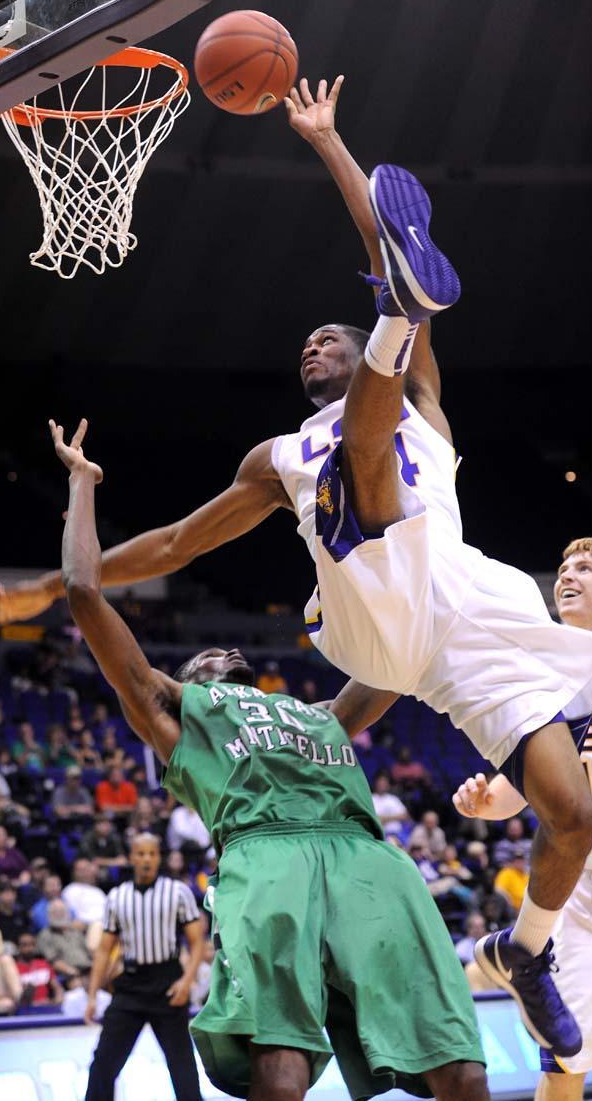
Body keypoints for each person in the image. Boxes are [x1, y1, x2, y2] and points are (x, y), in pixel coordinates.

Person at [0, 75, 592, 1059]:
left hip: (465, 616)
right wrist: (49, 589)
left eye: (329, 334)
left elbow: (378, 241)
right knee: (360, 457)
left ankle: (524, 952)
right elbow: (172, 545)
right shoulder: (275, 457)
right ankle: (392, 335)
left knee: (574, 812)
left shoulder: (425, 406)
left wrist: (326, 141)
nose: (310, 340)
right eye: (311, 340)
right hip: (368, 614)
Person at [45, 416, 488, 1101]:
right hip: (265, 849)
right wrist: (82, 483)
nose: (229, 653)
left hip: (369, 857)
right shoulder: (174, 708)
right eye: (210, 656)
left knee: (449, 1044)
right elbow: (83, 590)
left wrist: (425, 518)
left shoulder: (322, 713)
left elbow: (408, 649)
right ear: (191, 674)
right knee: (278, 1046)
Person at [455, 536, 592, 1100]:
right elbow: (524, 785)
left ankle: (492, 965)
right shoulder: (547, 675)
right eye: (563, 567)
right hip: (578, 891)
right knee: (569, 1060)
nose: (569, 575)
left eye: (585, 567)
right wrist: (487, 800)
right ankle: (499, 962)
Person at [84, 834, 204, 1101]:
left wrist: (187, 981)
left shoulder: (178, 892)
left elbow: (197, 942)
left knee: (182, 1067)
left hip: (168, 982)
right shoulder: (117, 897)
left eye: (152, 853)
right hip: (131, 985)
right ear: (131, 858)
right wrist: (92, 995)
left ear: (159, 857)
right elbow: (104, 950)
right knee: (103, 1063)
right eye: (141, 854)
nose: (147, 859)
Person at [15, 931, 64, 1007]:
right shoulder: (14, 968)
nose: (29, 948)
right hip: (25, 1009)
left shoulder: (44, 964)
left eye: (32, 944)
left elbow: (57, 988)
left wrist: (57, 1000)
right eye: (25, 945)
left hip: (46, 1006)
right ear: (18, 947)